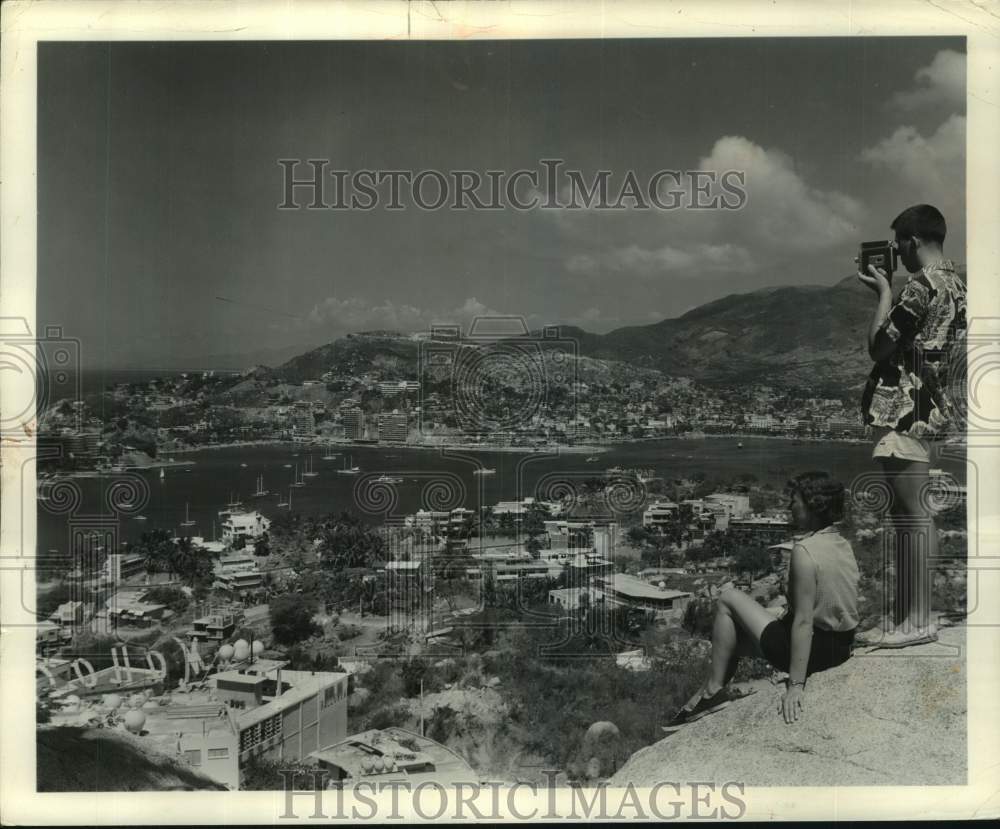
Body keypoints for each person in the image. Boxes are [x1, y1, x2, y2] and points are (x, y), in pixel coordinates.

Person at [856, 204, 967, 648]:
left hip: (905, 410)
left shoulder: (920, 287)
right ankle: (912, 616)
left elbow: (878, 348)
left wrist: (884, 292)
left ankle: (914, 621)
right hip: (933, 407)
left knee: (910, 518)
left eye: (900, 243)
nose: (897, 253)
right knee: (916, 518)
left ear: (915, 240)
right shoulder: (957, 284)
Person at [668, 471, 859, 727]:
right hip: (840, 649)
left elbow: (803, 622)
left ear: (814, 505)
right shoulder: (842, 543)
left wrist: (796, 684)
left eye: (795, 500)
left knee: (728, 598)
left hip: (815, 652)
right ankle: (707, 693)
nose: (790, 506)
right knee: (730, 639)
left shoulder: (805, 551)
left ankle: (712, 692)